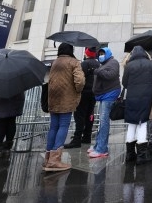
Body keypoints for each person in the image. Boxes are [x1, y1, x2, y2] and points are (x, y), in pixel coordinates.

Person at [44, 43, 85, 172]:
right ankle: (55, 161)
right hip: (66, 98)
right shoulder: (74, 62)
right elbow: (80, 81)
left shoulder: (54, 62)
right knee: (63, 126)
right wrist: (78, 91)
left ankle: (48, 158)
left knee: (53, 127)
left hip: (53, 98)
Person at [122, 45, 152, 165]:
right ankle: (142, 155)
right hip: (146, 97)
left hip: (132, 97)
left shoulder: (129, 65)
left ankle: (130, 154)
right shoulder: (151, 64)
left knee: (132, 123)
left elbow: (124, 83)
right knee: (142, 122)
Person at [88, 47, 121, 158]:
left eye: (102, 53)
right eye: (99, 54)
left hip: (109, 94)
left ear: (107, 54)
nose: (100, 55)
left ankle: (102, 149)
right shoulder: (104, 64)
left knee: (103, 121)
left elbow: (111, 75)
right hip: (104, 95)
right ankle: (98, 145)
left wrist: (98, 71)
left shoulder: (113, 62)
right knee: (102, 122)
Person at [64, 47, 98, 149]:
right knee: (90, 115)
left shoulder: (84, 64)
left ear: (86, 54)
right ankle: (87, 136)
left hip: (83, 94)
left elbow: (79, 79)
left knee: (80, 116)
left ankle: (77, 139)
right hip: (93, 94)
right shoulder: (98, 64)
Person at [0, 92, 25, 158]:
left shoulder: (2, 83)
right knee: (11, 122)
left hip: (3, 100)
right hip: (17, 98)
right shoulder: (18, 83)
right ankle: (7, 148)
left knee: (0, 124)